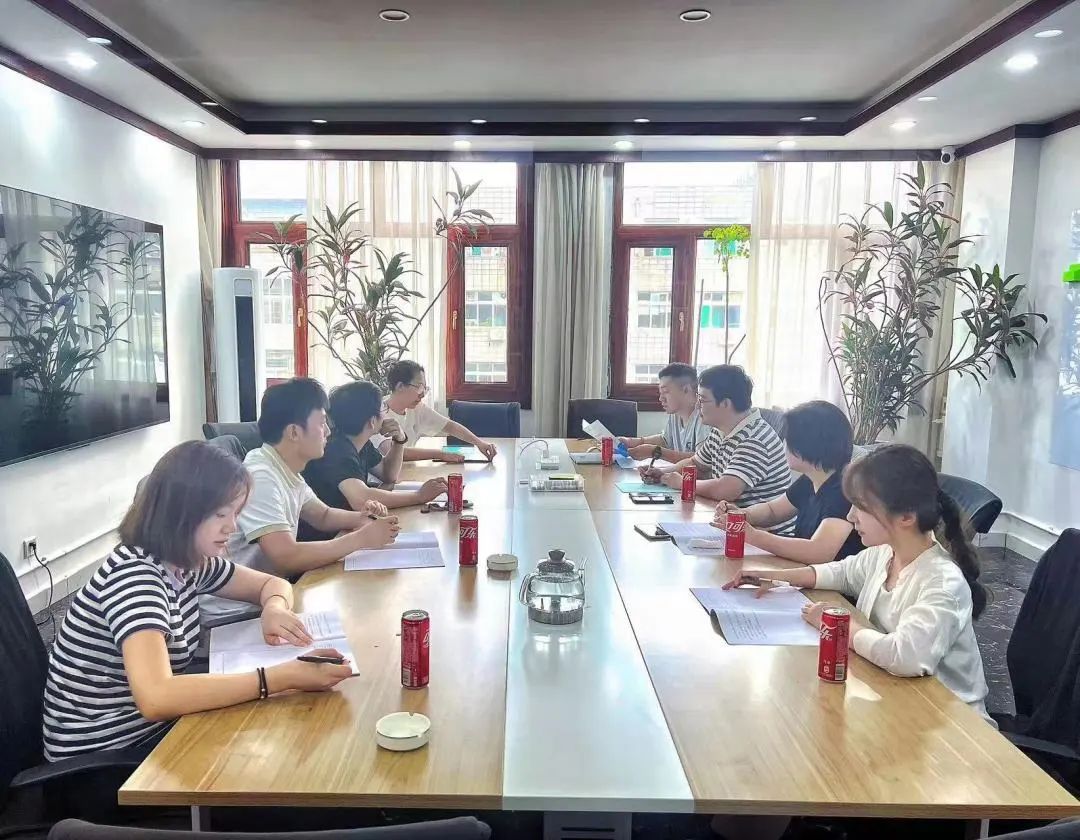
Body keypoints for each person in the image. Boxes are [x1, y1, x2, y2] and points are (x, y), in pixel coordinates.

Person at [41, 441, 354, 761]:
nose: (232, 527)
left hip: (143, 728)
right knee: (276, 746)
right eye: (221, 514)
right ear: (182, 511)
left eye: (235, 513)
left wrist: (273, 607)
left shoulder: (187, 561)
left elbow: (271, 584)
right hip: (105, 753)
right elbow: (156, 697)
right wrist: (279, 677)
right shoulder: (136, 579)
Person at [723, 444, 991, 721]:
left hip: (951, 724)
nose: (850, 516)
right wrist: (774, 577)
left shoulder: (942, 581)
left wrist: (840, 627)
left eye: (861, 507)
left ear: (906, 517)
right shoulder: (885, 553)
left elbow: (905, 656)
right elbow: (839, 573)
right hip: (898, 699)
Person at [205, 378, 400, 618]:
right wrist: (361, 539)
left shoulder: (284, 467)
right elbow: (286, 556)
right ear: (294, 432)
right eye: (321, 423)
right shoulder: (261, 476)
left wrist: (363, 518)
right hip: (238, 614)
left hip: (272, 600)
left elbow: (323, 515)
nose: (328, 431)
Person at [641, 364, 792, 531]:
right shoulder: (720, 430)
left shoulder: (755, 438)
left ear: (725, 403)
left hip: (764, 536)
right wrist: (664, 473)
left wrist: (684, 483)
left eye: (703, 400)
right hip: (733, 526)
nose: (697, 405)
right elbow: (696, 464)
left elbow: (726, 489)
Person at [712, 400, 863, 563]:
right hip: (804, 571)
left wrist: (753, 536)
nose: (783, 444)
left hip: (831, 579)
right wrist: (742, 515)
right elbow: (773, 511)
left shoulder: (844, 491)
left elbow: (819, 552)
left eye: (788, 439)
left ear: (807, 445)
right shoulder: (810, 479)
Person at [301, 380, 448, 539]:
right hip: (323, 540)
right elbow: (361, 498)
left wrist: (399, 440)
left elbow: (388, 474)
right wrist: (418, 496)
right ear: (372, 421)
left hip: (345, 531)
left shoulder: (359, 442)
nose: (385, 414)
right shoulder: (336, 450)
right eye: (383, 408)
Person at [370, 360, 498, 463]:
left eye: (425, 389)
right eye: (419, 388)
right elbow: (393, 452)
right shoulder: (377, 413)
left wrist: (480, 443)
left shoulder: (417, 408)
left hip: (406, 472)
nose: (422, 395)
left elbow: (450, 426)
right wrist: (440, 454)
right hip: (381, 480)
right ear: (400, 386)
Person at [618, 362, 710, 463]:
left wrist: (655, 452)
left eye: (665, 392)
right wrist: (634, 442)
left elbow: (701, 461)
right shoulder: (675, 413)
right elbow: (665, 441)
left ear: (686, 389)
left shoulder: (705, 416)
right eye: (660, 393)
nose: (661, 398)